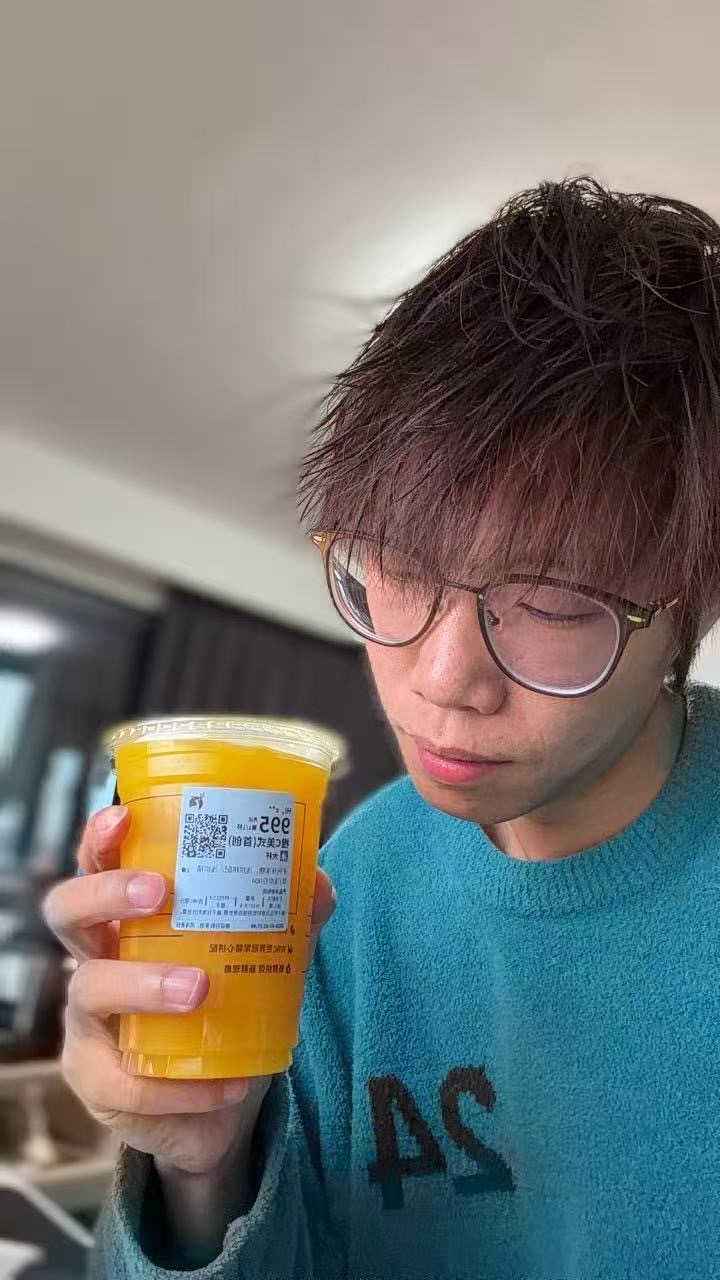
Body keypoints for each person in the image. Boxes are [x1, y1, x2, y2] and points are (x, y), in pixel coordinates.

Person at [45, 177, 720, 1280]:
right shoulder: (351, 880)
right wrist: (199, 1165)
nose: (443, 680)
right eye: (396, 567)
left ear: (691, 608)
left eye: (552, 603)